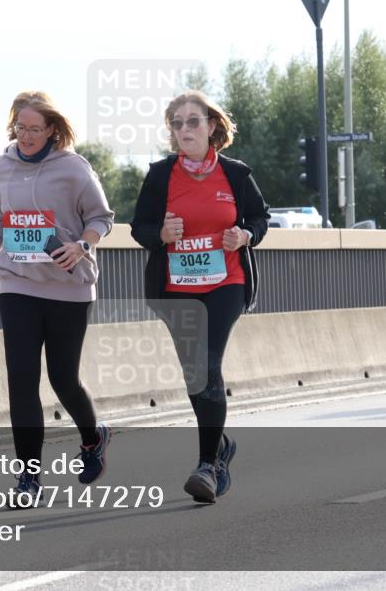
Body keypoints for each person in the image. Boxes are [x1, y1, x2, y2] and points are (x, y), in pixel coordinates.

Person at [0, 91, 115, 506]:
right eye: (20, 128)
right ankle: (28, 481)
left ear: (52, 130)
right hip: (17, 284)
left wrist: (82, 246)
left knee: (63, 379)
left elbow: (102, 218)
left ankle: (92, 436)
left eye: (34, 129)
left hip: (68, 288)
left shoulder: (73, 168)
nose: (26, 136)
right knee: (22, 382)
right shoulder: (3, 166)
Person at [130, 90, 270, 503]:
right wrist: (161, 234)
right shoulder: (160, 175)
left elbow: (260, 218)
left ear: (211, 127)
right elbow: (140, 227)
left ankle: (207, 464)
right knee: (195, 374)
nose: (185, 129)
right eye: (177, 123)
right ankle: (221, 444)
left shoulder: (236, 174)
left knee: (208, 364)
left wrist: (244, 235)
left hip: (226, 282)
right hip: (176, 287)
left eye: (194, 121)